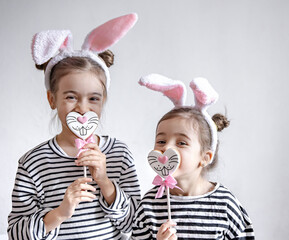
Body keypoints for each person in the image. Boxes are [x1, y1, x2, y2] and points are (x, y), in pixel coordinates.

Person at [7, 14, 141, 240]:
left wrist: (105, 182)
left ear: (103, 101)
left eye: (94, 99)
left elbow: (134, 224)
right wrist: (59, 213)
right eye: (71, 97)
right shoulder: (32, 163)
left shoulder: (119, 154)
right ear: (52, 100)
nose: (82, 108)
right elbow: (16, 234)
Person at [132, 74, 255, 239]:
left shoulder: (225, 205)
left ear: (205, 157)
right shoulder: (149, 206)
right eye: (161, 140)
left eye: (181, 143)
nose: (167, 148)